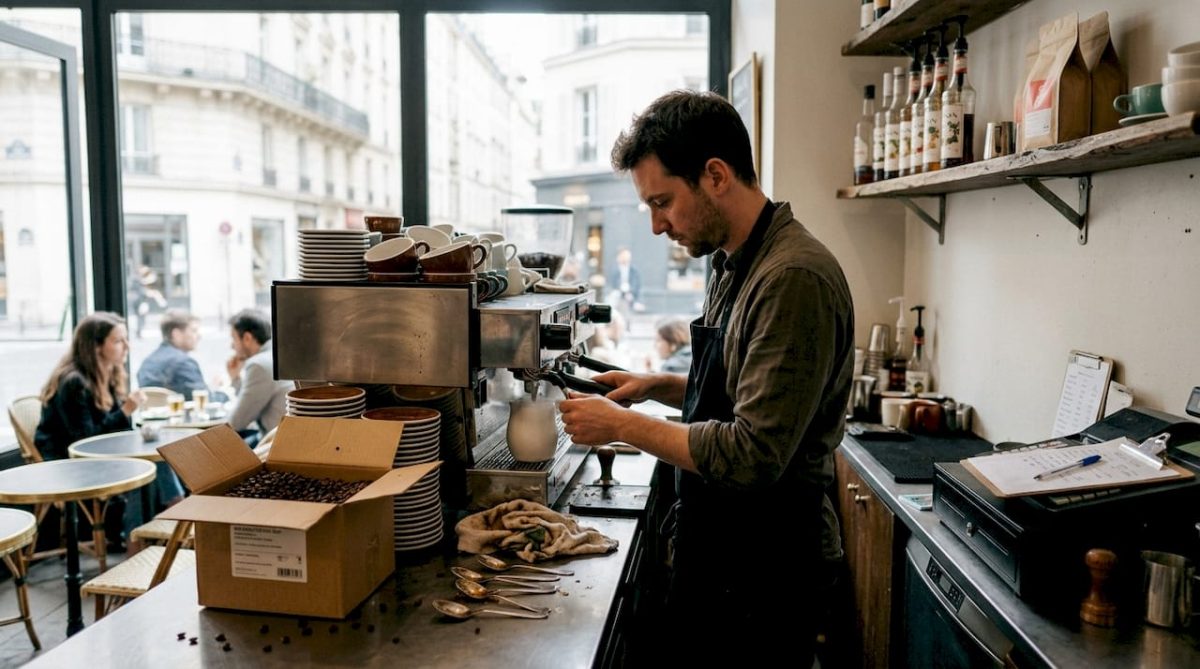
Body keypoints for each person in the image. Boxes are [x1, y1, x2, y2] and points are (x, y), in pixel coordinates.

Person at [558, 90, 855, 666]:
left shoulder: (792, 277)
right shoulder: (731, 259)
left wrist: (622, 425)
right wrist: (653, 385)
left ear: (715, 175)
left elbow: (753, 451)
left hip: (770, 569)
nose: (655, 225)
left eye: (662, 202)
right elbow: (737, 384)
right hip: (725, 549)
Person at [34, 312, 155, 550]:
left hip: (96, 454)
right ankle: (137, 544)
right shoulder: (74, 382)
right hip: (67, 464)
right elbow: (85, 441)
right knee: (144, 473)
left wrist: (125, 412)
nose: (127, 347)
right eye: (119, 341)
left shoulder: (108, 374)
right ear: (96, 346)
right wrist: (126, 410)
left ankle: (150, 534)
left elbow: (113, 431)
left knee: (158, 464)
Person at [225, 308, 290, 443]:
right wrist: (236, 379)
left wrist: (235, 380)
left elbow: (236, 423)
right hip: (287, 438)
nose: (232, 346)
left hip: (274, 444)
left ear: (247, 338)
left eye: (233, 338)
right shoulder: (280, 353)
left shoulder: (258, 365)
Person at [136, 310, 219, 401]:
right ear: (176, 334)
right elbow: (206, 401)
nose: (199, 336)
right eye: (194, 331)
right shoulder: (184, 363)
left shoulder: (147, 363)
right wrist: (217, 390)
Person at [606, 247, 643, 318]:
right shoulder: (613, 269)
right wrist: (622, 291)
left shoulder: (634, 270)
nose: (626, 258)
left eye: (628, 256)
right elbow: (611, 284)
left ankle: (625, 324)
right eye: (624, 256)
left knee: (627, 301)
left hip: (630, 295)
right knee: (614, 297)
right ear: (619, 257)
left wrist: (630, 293)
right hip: (616, 294)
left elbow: (637, 286)